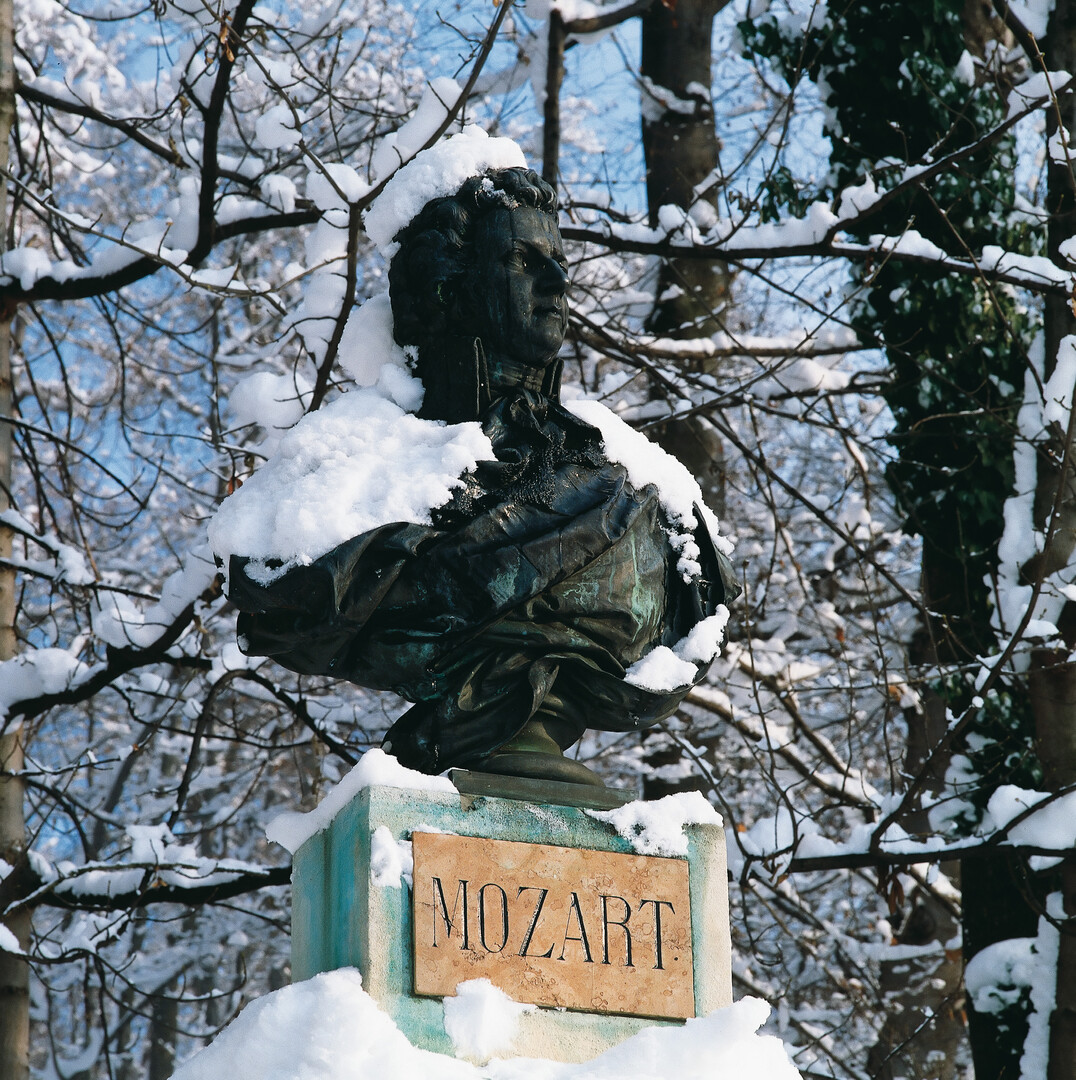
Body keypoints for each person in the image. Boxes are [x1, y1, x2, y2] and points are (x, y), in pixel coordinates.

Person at [227, 167, 738, 786]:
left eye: (558, 261)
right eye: (523, 261)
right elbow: (282, 597)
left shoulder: (650, 499)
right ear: (449, 288)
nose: (556, 284)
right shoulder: (332, 486)